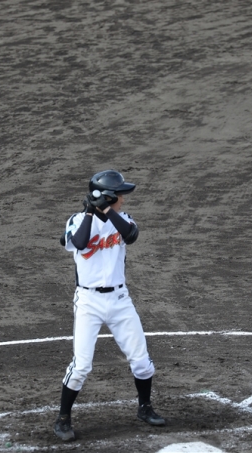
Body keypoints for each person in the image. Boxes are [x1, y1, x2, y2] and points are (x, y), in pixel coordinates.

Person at [53, 170, 165, 441]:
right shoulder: (77, 220)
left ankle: (145, 407)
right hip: (88, 302)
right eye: (119, 195)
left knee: (142, 362)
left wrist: (105, 209)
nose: (123, 200)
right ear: (108, 196)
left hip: (119, 300)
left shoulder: (122, 218)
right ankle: (63, 419)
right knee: (81, 366)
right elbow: (79, 243)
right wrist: (91, 212)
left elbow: (130, 234)